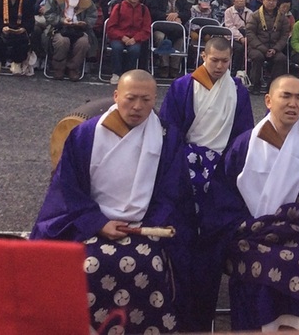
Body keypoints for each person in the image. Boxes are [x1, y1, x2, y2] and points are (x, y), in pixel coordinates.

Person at [31, 71, 191, 333]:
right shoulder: (85, 135)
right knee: (90, 265)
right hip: (90, 224)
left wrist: (146, 227)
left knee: (149, 264)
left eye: (146, 100)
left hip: (145, 225)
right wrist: (97, 223)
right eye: (130, 98)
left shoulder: (167, 136)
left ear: (155, 100)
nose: (137, 107)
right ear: (116, 96)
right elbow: (67, 190)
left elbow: (173, 191)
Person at [203, 75, 299, 331]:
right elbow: (222, 200)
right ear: (269, 100)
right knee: (260, 267)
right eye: (286, 96)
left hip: (297, 232)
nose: (293, 103)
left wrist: (294, 218)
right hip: (250, 233)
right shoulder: (244, 145)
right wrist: (250, 227)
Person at [159, 37, 254, 330]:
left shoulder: (238, 90)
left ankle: (204, 313)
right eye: (214, 60)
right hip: (185, 166)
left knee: (211, 237)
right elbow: (169, 129)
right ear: (203, 56)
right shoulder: (182, 86)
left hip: (220, 169)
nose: (219, 66)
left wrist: (229, 165)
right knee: (181, 232)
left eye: (225, 62)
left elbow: (243, 135)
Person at [45, 0, 98, 81]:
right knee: (62, 41)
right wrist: (61, 20)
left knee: (83, 42)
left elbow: (92, 16)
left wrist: (85, 23)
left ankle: (73, 68)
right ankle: (59, 68)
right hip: (58, 28)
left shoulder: (86, 0)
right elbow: (48, 14)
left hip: (78, 30)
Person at [105, 0, 152, 84]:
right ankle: (116, 73)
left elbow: (146, 29)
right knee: (117, 48)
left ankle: (128, 74)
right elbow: (111, 27)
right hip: (119, 37)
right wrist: (122, 37)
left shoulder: (144, 9)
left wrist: (135, 38)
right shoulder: (118, 7)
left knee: (135, 50)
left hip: (135, 38)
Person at [245, 0, 291, 91]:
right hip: (257, 47)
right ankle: (255, 84)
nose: (271, 3)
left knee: (281, 59)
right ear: (263, 0)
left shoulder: (282, 17)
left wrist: (275, 48)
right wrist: (263, 49)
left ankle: (273, 86)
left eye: (274, 0)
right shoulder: (255, 15)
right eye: (269, 0)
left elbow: (284, 35)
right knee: (258, 57)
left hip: (274, 47)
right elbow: (250, 33)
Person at [148, 0, 192, 79]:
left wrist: (178, 15)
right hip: (160, 26)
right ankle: (164, 65)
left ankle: (174, 67)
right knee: (160, 37)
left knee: (181, 40)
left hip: (177, 28)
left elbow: (187, 13)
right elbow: (153, 12)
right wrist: (168, 16)